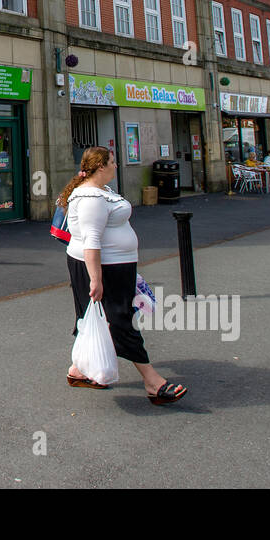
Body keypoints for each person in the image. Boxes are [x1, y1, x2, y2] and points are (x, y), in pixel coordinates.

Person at [60, 145, 187, 405]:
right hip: (103, 268)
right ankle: (153, 381)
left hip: (117, 267)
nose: (116, 166)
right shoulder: (89, 198)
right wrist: (96, 279)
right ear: (101, 166)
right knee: (118, 321)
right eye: (113, 162)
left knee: (94, 318)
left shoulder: (102, 192)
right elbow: (91, 241)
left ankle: (79, 370)